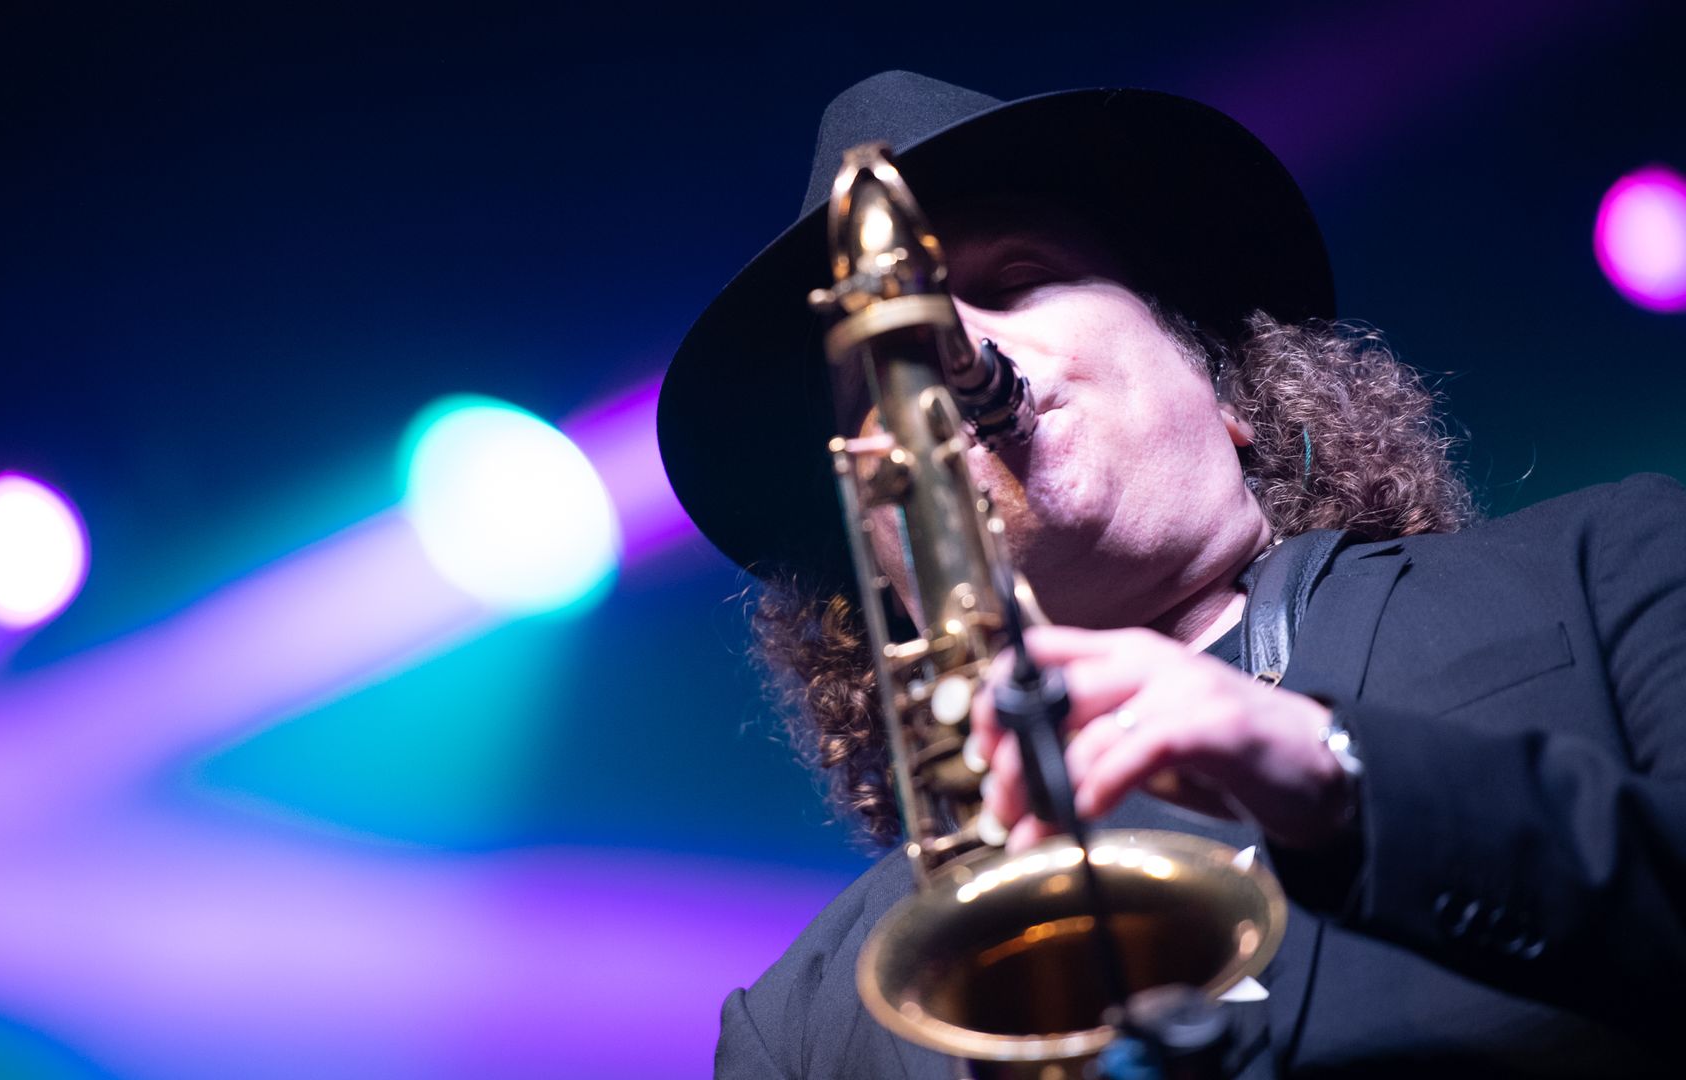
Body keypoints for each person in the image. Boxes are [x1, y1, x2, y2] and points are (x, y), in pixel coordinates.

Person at [656, 72, 1685, 1077]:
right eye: (876, 378)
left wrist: (1344, 784)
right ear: (877, 537)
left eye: (1013, 280)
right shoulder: (797, 1027)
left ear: (1228, 386)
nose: (942, 348)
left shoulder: (1605, 568)